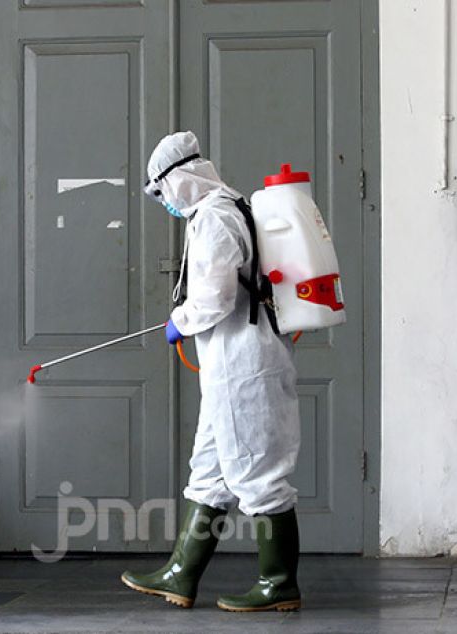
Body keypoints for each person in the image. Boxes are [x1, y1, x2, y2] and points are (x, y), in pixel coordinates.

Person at [120, 131, 302, 612]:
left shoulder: (217, 217)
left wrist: (179, 323)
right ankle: (181, 573)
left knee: (258, 472)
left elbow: (217, 297)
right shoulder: (220, 210)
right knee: (211, 470)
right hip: (227, 365)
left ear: (179, 179)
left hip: (244, 365)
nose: (164, 203)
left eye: (162, 192)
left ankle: (278, 582)